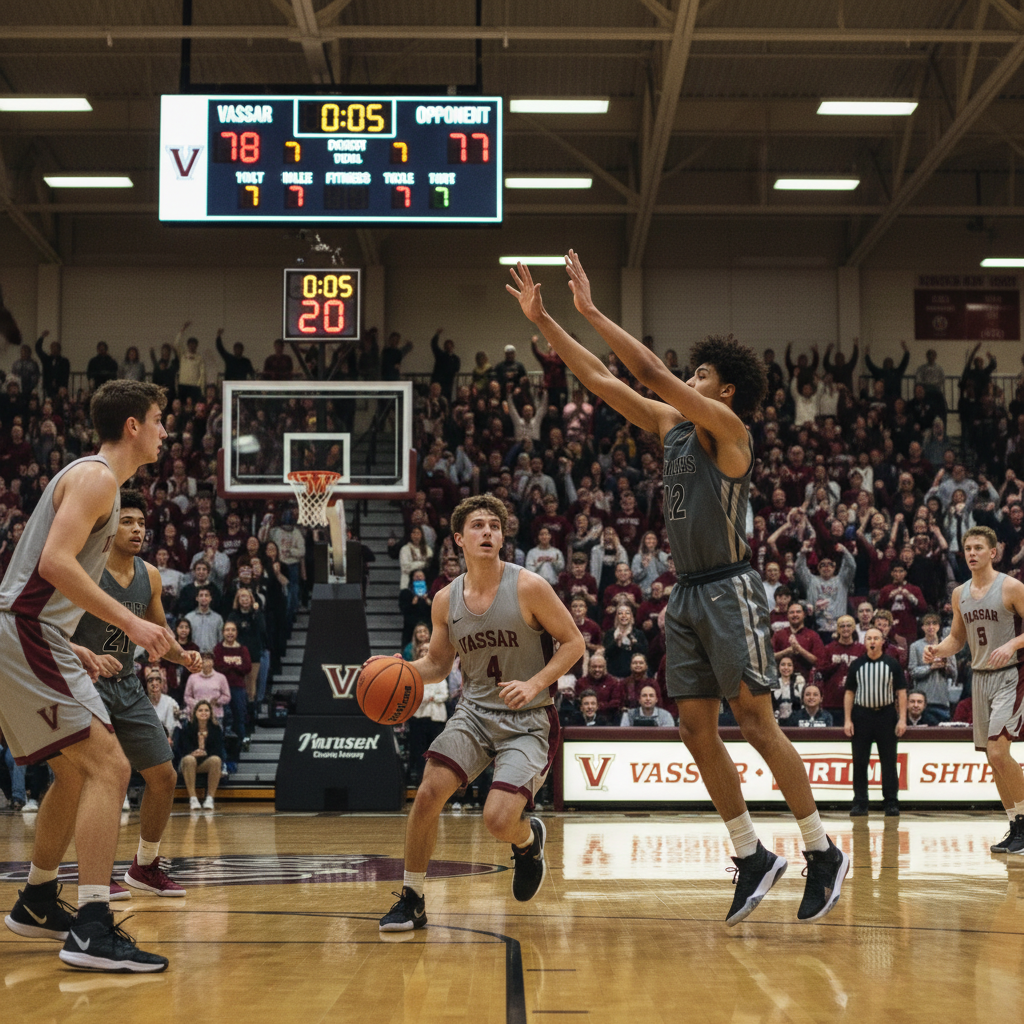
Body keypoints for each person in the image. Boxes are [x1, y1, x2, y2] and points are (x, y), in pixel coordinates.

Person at [508, 253, 848, 926]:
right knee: (694, 728)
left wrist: (591, 310)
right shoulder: (671, 427)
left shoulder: (731, 432)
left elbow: (651, 373)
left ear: (725, 391)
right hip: (687, 593)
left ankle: (821, 849)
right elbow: (601, 379)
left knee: (757, 723)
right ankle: (751, 854)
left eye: (701, 375)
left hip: (730, 589)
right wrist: (545, 322)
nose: (687, 381)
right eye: (691, 374)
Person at [0, 379, 172, 972]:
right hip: (24, 631)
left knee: (74, 774)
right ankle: (93, 927)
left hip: (33, 633)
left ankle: (38, 899)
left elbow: (39, 576)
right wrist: (134, 623)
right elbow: (53, 563)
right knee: (111, 766)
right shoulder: (98, 478)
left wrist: (70, 643)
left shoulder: (97, 481)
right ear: (133, 426)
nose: (164, 431)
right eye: (158, 420)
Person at [377, 495, 584, 931]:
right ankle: (412, 898)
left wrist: (534, 683)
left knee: (498, 820)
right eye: (477, 525)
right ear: (458, 539)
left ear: (503, 537)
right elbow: (438, 665)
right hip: (473, 715)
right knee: (428, 793)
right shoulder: (444, 600)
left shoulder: (529, 586)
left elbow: (574, 643)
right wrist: (399, 670)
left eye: (494, 525)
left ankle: (527, 842)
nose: (487, 531)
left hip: (528, 720)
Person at [69, 488, 201, 899]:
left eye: (141, 523)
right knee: (102, 780)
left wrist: (184, 657)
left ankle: (144, 867)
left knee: (164, 776)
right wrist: (88, 656)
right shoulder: (84, 570)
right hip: (85, 683)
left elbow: (160, 636)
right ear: (108, 527)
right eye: (126, 521)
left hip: (128, 684)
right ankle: (95, 873)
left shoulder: (151, 576)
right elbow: (51, 631)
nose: (137, 529)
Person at [924, 526, 1024, 854]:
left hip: (1012, 674)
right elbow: (957, 639)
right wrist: (937, 650)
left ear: (993, 552)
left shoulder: (1011, 587)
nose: (972, 553)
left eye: (978, 547)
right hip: (979, 677)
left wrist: (1012, 644)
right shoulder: (959, 594)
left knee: (998, 752)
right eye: (968, 548)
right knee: (993, 760)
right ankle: (1016, 824)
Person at [843, 627, 908, 817]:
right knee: (859, 762)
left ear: (882, 641)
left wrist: (902, 719)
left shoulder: (892, 664)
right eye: (869, 638)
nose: (872, 641)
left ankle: (891, 802)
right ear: (865, 642)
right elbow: (849, 693)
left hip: (886, 716)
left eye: (876, 638)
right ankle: (860, 802)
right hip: (861, 716)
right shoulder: (856, 665)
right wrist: (847, 720)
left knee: (889, 762)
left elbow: (901, 692)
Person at [175, 700, 224, 810]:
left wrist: (205, 753)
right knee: (189, 759)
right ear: (195, 713)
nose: (203, 713)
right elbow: (182, 748)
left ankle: (210, 798)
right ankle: (193, 798)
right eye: (200, 710)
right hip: (189, 763)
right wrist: (193, 752)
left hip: (206, 762)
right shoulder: (188, 727)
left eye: (206, 710)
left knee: (216, 760)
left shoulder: (216, 729)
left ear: (210, 713)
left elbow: (218, 750)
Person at [908, 612, 957, 722]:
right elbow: (912, 672)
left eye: (934, 623)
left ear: (938, 626)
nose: (931, 627)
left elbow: (954, 674)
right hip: (922, 699)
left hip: (942, 699)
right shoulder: (915, 646)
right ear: (922, 627)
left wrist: (946, 666)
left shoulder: (947, 645)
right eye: (927, 624)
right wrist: (930, 668)